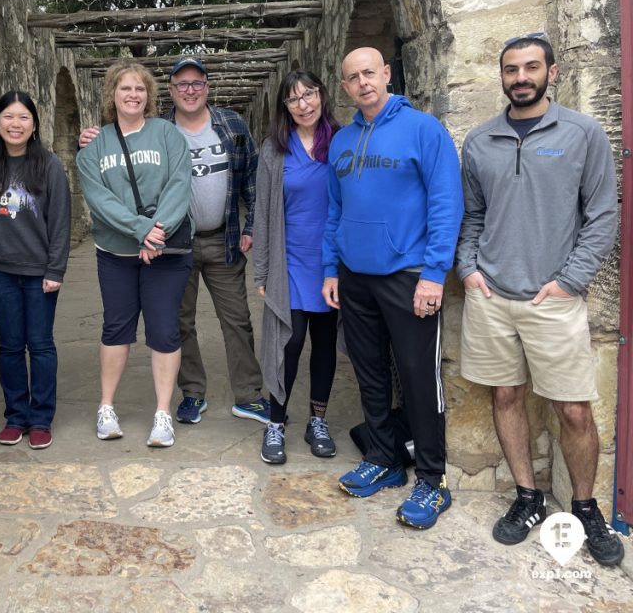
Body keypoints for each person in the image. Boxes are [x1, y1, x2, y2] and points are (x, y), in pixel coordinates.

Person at [457, 32, 623, 564]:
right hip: (491, 295)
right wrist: (468, 269)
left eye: (531, 67)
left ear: (552, 72)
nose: (520, 77)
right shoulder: (480, 141)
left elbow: (602, 215)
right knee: (505, 397)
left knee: (573, 409)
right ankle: (527, 498)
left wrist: (570, 281)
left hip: (552, 298)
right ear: (502, 77)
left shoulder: (582, 133)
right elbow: (473, 213)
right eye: (511, 70)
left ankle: (585, 508)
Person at [79, 57, 267, 426]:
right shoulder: (159, 128)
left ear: (207, 86)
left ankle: (248, 395)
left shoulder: (231, 124)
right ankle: (192, 394)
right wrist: (89, 139)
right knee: (177, 322)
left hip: (221, 238)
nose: (190, 90)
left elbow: (252, 177)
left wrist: (252, 227)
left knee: (238, 319)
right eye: (182, 84)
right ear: (169, 91)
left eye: (197, 82)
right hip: (174, 243)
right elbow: (112, 162)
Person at [322, 47, 462, 530]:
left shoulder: (423, 130)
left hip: (408, 275)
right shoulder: (341, 141)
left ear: (386, 74)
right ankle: (382, 458)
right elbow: (334, 212)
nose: (362, 83)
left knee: (420, 379)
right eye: (352, 77)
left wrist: (434, 273)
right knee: (370, 373)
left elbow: (447, 202)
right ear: (344, 87)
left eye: (369, 73)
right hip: (356, 277)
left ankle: (431, 478)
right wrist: (330, 269)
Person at [76, 61, 193, 447]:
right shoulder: (95, 145)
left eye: (140, 89)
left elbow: (179, 182)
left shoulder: (166, 134)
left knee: (163, 329)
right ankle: (106, 407)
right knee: (116, 328)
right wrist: (141, 230)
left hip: (167, 249)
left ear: (149, 95)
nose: (132, 95)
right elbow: (99, 198)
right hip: (116, 251)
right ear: (112, 94)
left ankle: (162, 413)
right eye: (125, 88)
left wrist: (156, 234)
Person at [253, 70, 341, 465]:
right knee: (288, 342)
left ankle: (317, 420)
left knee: (325, 343)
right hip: (288, 260)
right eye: (293, 99)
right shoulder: (274, 149)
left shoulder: (341, 141)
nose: (303, 104)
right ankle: (275, 422)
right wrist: (261, 272)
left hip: (331, 262)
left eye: (309, 95)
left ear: (322, 96)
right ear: (284, 107)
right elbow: (262, 212)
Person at [0, 90, 71, 449]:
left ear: (34, 124)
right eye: (8, 117)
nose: (15, 124)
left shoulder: (48, 165)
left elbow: (61, 221)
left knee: (41, 344)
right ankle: (15, 415)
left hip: (39, 272)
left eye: (23, 117)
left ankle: (41, 418)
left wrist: (56, 270)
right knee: (10, 346)